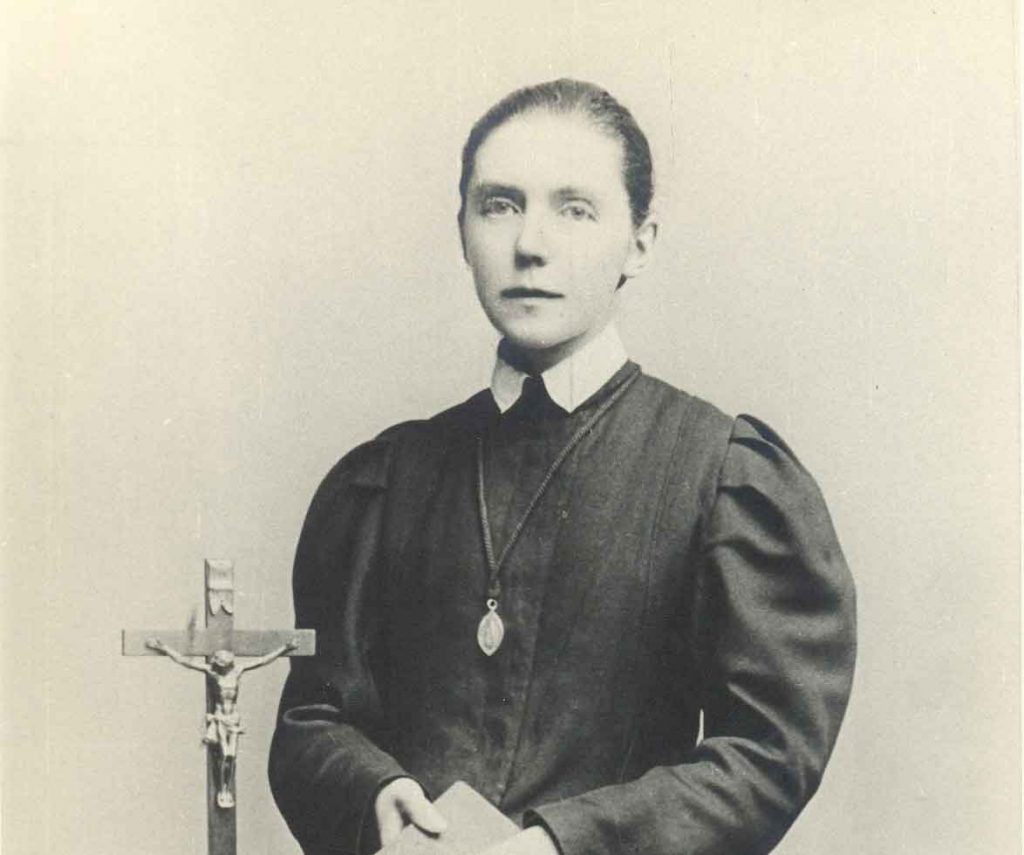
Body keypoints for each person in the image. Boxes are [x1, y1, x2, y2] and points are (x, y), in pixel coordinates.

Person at [269, 78, 856, 855]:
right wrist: (375, 792)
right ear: (462, 231)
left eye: (575, 209)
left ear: (640, 242)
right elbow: (314, 718)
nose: (530, 244)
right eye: (499, 205)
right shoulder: (385, 479)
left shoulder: (719, 474)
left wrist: (562, 844)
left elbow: (767, 752)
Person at [146, 637, 296, 807]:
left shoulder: (238, 671)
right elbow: (185, 661)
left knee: (232, 756)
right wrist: (163, 647)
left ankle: (227, 788)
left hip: (234, 719)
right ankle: (223, 790)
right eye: (221, 662)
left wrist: (285, 648)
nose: (224, 665)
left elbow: (262, 660)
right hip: (220, 719)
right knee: (224, 754)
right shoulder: (212, 673)